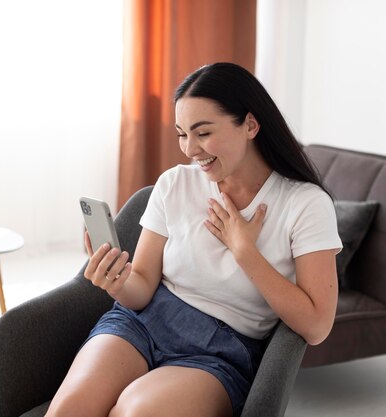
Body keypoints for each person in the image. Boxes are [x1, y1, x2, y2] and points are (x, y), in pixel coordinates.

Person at [45, 63, 342, 417]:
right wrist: (117, 282)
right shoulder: (174, 184)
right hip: (143, 322)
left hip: (221, 350)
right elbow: (140, 290)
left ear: (250, 124)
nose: (189, 149)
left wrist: (245, 251)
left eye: (202, 133)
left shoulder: (305, 204)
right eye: (182, 134)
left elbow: (317, 326)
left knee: (134, 412)